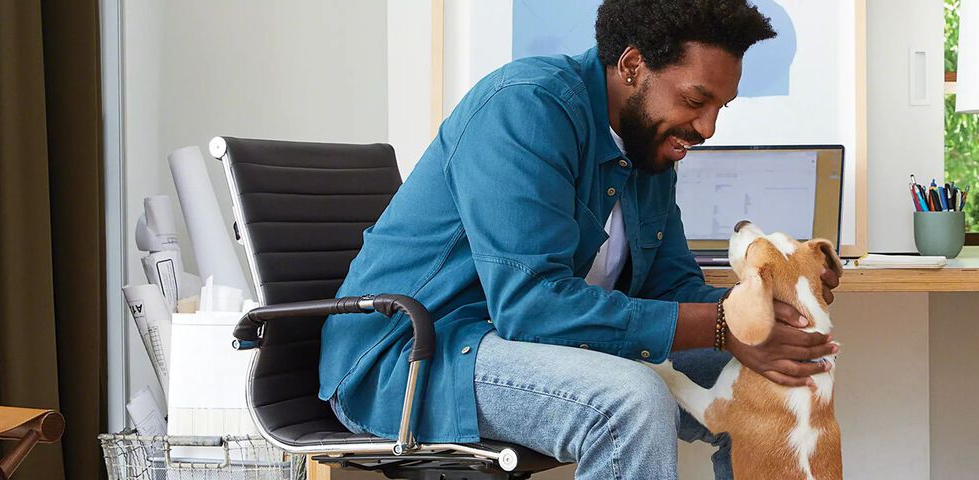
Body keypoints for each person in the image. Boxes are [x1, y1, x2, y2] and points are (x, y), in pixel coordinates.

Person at [321, 1, 839, 478]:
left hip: (515, 345)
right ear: (633, 66)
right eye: (695, 100)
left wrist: (770, 310)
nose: (707, 127)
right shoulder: (526, 108)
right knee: (631, 402)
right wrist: (727, 326)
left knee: (788, 376)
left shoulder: (650, 146)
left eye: (720, 108)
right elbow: (530, 308)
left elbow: (672, 287)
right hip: (415, 358)